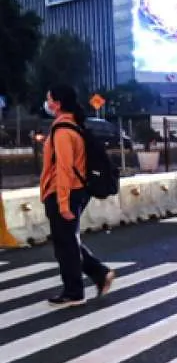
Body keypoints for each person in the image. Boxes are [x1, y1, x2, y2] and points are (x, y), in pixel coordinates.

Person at [40, 85, 115, 307]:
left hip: (66, 192)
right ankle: (99, 274)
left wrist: (63, 203)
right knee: (66, 241)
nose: (47, 103)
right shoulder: (71, 126)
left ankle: (74, 292)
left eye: (49, 98)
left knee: (66, 244)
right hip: (71, 192)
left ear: (59, 103)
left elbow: (64, 169)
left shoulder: (63, 131)